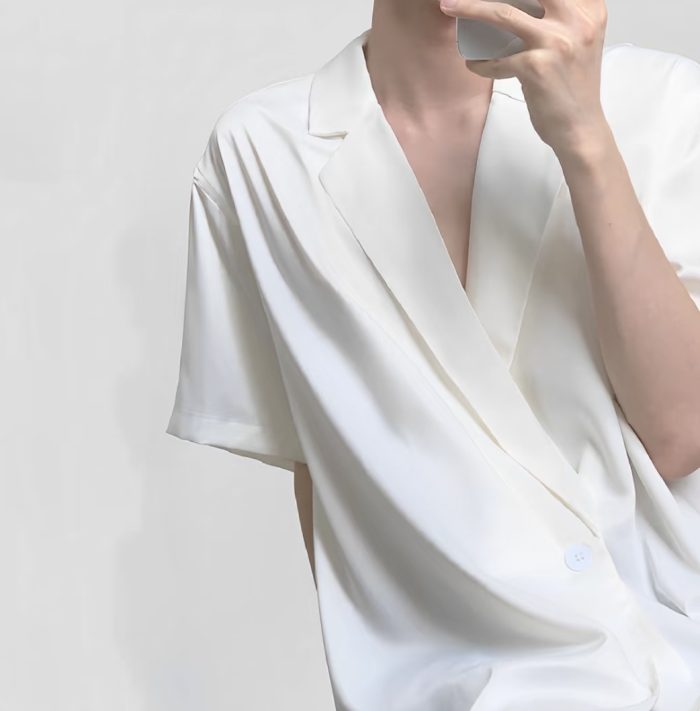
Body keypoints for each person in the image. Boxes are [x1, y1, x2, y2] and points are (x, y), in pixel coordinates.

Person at [166, 0, 700, 708]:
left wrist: (585, 141)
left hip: (674, 651)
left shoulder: (663, 102)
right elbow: (324, 465)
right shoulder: (261, 153)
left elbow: (681, 433)